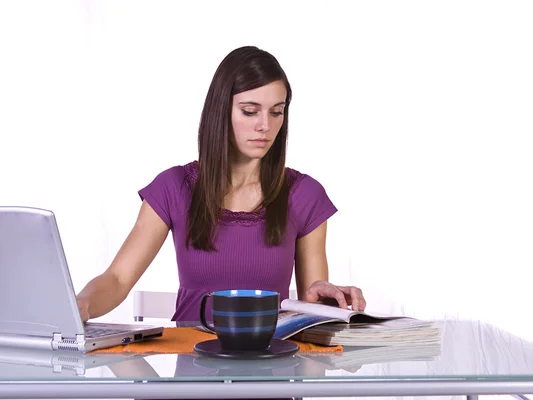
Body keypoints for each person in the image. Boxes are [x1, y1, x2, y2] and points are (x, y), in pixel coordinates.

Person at [76, 45, 366, 324]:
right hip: (192, 365)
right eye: (250, 111)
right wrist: (80, 307)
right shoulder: (172, 188)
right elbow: (117, 279)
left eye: (276, 112)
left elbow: (309, 306)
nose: (265, 125)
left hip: (273, 367)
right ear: (221, 111)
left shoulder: (304, 195)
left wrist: (330, 306)